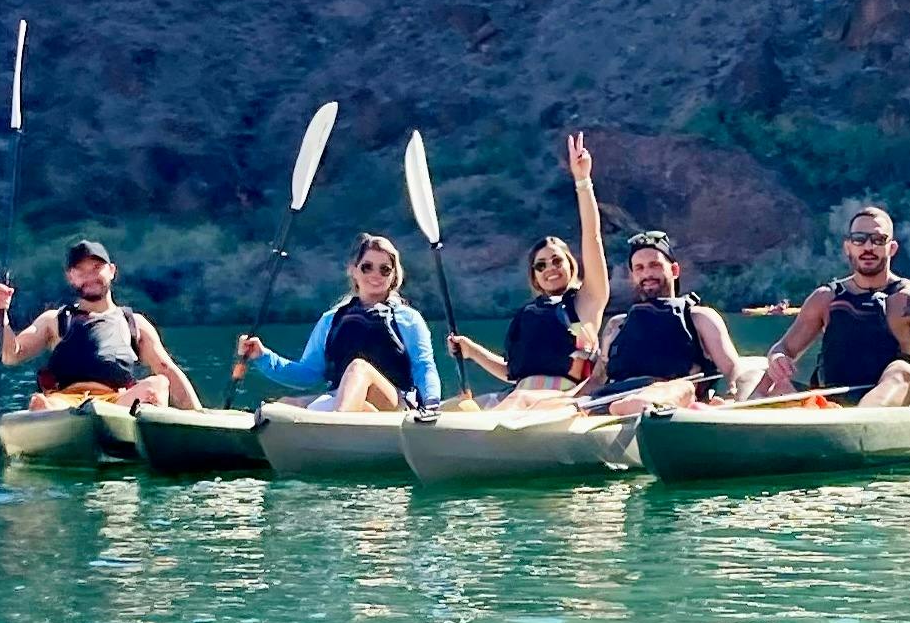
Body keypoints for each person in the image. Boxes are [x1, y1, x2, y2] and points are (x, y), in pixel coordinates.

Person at [751, 205, 910, 405]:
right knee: (749, 377)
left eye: (878, 240)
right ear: (848, 247)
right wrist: (777, 359)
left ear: (892, 248)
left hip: (894, 402)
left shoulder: (909, 301)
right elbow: (783, 348)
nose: (868, 247)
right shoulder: (824, 299)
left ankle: (862, 418)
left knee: (901, 372)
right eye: (859, 239)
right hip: (830, 404)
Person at [449, 134, 609, 395]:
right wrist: (471, 350)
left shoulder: (587, 302)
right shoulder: (529, 316)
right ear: (534, 277)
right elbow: (512, 372)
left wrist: (583, 180)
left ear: (571, 264)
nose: (550, 268)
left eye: (557, 260)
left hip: (562, 401)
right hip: (519, 396)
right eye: (541, 265)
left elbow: (592, 236)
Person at [0, 239, 202, 411]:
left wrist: (197, 413)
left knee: (158, 385)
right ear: (71, 277)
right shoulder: (54, 319)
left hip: (118, 403)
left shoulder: (135, 323)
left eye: (96, 268)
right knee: (40, 403)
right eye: (81, 271)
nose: (89, 277)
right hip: (65, 402)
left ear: (112, 270)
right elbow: (11, 354)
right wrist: (0, 313)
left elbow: (166, 368)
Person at [238, 233, 444, 412]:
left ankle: (336, 428)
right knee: (285, 405)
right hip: (342, 399)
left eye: (385, 269)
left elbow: (423, 366)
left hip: (396, 403)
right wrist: (263, 356)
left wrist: (432, 403)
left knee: (359, 368)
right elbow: (307, 374)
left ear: (394, 276)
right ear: (354, 271)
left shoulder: (409, 319)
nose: (375, 275)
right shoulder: (331, 320)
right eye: (367, 267)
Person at [580, 230, 750, 415]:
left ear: (674, 270)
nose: (647, 274)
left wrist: (731, 397)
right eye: (640, 268)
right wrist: (569, 399)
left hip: (672, 395)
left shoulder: (699, 318)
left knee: (683, 388)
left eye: (655, 265)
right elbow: (597, 379)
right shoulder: (616, 325)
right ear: (632, 276)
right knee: (549, 399)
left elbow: (732, 369)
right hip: (614, 395)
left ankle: (635, 405)